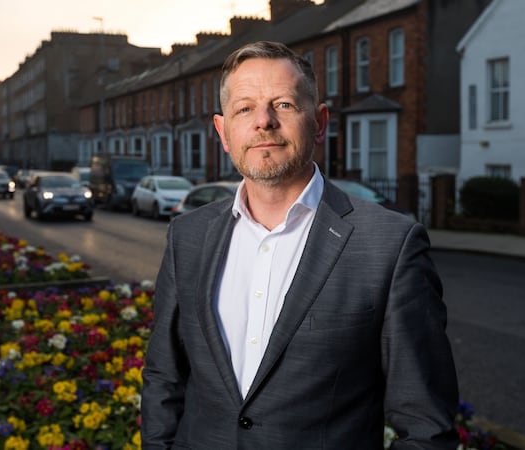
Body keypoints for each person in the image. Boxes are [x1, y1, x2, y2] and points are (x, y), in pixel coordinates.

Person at [141, 40, 459, 449]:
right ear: (223, 132)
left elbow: (426, 426)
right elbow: (164, 377)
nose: (264, 121)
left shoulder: (390, 246)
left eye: (284, 105)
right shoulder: (188, 235)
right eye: (244, 109)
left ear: (320, 122)